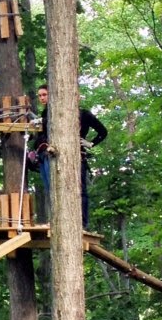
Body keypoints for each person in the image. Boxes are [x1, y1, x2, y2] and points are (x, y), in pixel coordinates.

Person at [28, 85, 107, 227]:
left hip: (76, 155)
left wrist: (91, 143)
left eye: (44, 94)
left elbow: (103, 131)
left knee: (80, 191)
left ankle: (82, 223)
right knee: (52, 189)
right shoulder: (48, 113)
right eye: (40, 95)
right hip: (48, 154)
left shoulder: (83, 114)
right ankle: (56, 221)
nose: (42, 98)